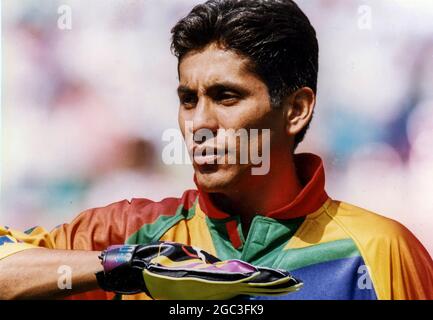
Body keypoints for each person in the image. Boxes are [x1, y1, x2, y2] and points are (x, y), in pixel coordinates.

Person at [1, 0, 432, 300]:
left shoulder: (378, 251)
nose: (199, 123)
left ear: (296, 110)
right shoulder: (131, 234)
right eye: (188, 99)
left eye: (226, 97)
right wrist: (126, 267)